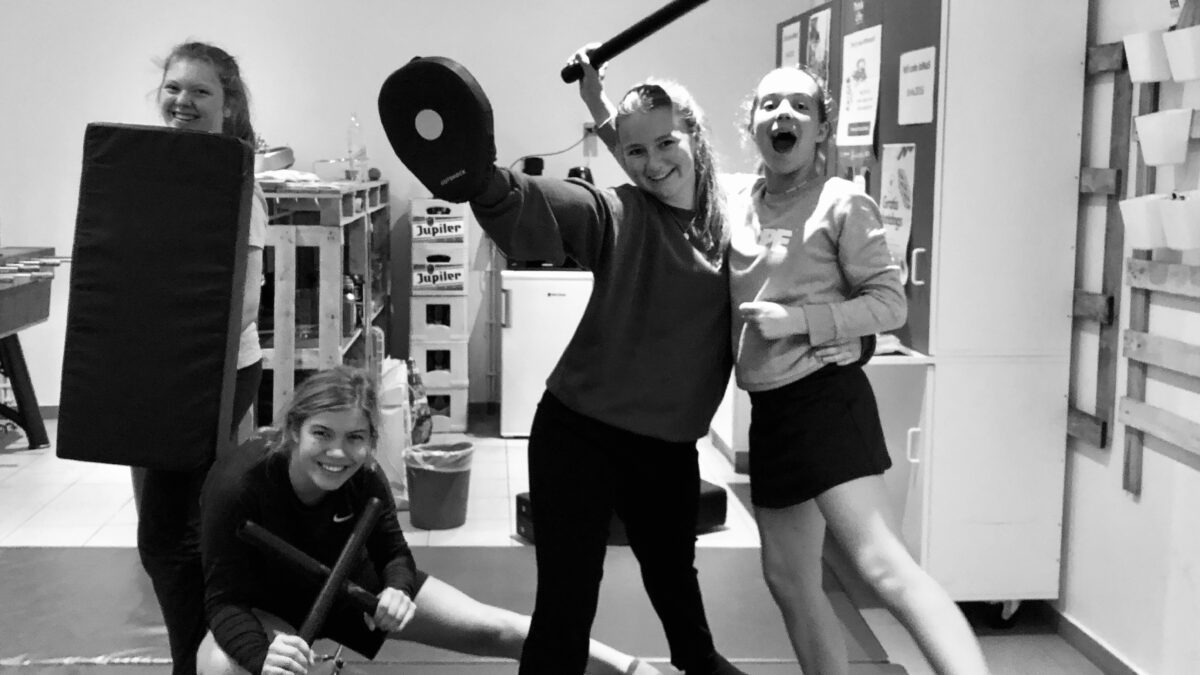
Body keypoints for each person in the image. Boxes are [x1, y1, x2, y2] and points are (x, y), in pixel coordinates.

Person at [727, 65, 990, 675]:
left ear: (822, 129)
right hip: (771, 410)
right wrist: (602, 108)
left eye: (800, 105)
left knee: (883, 567)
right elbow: (663, 158)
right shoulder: (736, 201)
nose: (784, 114)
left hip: (824, 400)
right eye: (770, 104)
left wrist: (802, 322)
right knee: (788, 578)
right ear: (753, 125)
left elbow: (890, 304)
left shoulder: (843, 202)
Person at [197, 365, 660, 675]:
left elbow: (393, 553)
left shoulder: (365, 476)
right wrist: (260, 656)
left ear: (370, 439)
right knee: (218, 665)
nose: (338, 453)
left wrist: (397, 589)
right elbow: (223, 601)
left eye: (355, 437)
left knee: (496, 628)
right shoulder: (238, 485)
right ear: (294, 429)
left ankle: (630, 669)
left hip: (352, 587)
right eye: (322, 433)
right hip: (268, 605)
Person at [131, 41, 266, 675]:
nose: (183, 101)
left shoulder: (238, 181)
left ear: (228, 103)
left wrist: (187, 361)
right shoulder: (151, 171)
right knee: (171, 525)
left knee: (170, 535)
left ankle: (199, 661)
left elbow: (245, 299)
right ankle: (205, 657)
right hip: (161, 371)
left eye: (201, 91)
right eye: (174, 88)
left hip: (210, 374)